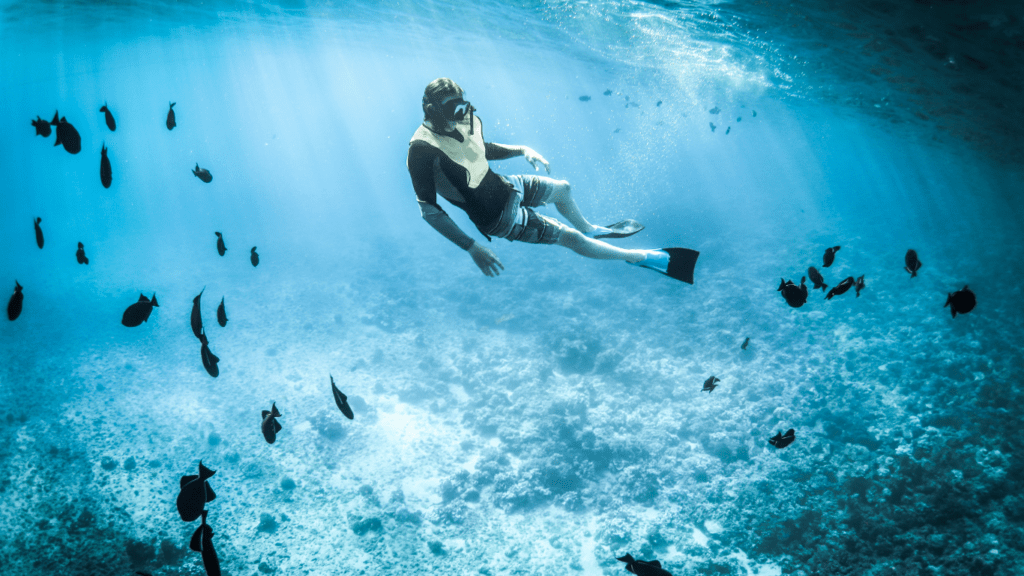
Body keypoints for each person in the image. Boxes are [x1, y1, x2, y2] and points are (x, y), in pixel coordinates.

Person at [407, 78, 698, 283]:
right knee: (571, 239)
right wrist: (471, 247)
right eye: (451, 110)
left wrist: (522, 149)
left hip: (506, 185)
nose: (460, 117)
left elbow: (479, 148)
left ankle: (592, 230)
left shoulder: (457, 121)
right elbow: (429, 211)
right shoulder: (421, 150)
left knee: (563, 189)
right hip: (496, 217)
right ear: (432, 111)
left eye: (462, 108)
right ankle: (638, 257)